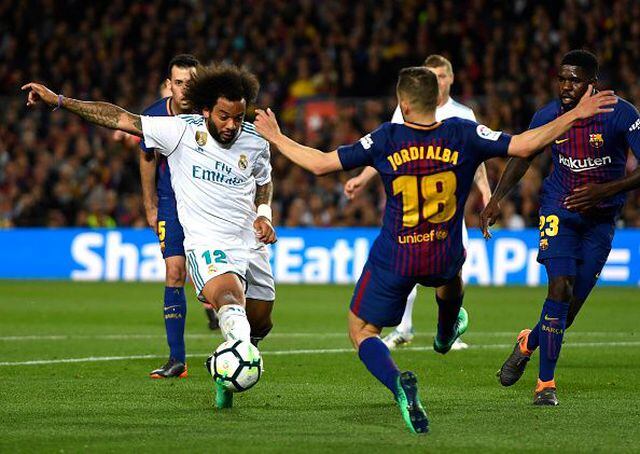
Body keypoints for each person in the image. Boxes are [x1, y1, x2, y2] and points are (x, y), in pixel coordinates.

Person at [253, 66, 615, 433]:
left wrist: (277, 137)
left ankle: (398, 383)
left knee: (361, 330)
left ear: (404, 105)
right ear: (435, 101)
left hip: (397, 255)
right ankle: (444, 335)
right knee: (451, 278)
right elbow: (524, 145)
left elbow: (320, 164)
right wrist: (575, 115)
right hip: (443, 249)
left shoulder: (386, 137)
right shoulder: (463, 132)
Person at [22, 63, 278, 409]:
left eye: (237, 117)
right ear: (205, 110)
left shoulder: (255, 139)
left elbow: (264, 180)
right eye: (223, 117)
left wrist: (263, 214)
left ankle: (235, 358)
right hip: (208, 243)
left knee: (260, 322)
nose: (231, 125)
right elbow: (119, 118)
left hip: (250, 243)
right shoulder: (180, 131)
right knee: (230, 302)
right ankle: (225, 367)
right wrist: (60, 100)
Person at [480, 49, 640, 406]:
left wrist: (604, 190)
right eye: (562, 79)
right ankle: (545, 384)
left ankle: (528, 342)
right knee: (559, 287)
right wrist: (497, 198)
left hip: (601, 218)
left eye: (575, 80)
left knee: (569, 310)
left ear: (592, 84)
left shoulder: (622, 114)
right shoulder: (549, 115)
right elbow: (523, 155)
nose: (566, 86)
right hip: (559, 209)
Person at [344, 55, 491, 351]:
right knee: (407, 268)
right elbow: (386, 150)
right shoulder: (406, 108)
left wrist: (487, 193)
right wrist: (363, 177)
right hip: (410, 205)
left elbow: (476, 159)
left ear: (451, 79)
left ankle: (448, 330)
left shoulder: (463, 114)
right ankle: (404, 328)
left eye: (441, 75)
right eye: (432, 75)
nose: (437, 81)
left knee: (452, 273)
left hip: (446, 212)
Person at [137, 54, 220, 380]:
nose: (185, 89)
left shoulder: (211, 112)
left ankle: (236, 347)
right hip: (170, 203)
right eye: (179, 82)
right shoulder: (154, 116)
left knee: (215, 275)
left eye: (191, 82)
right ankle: (177, 359)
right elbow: (147, 158)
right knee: (174, 272)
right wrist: (149, 205)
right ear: (169, 84)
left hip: (207, 202)